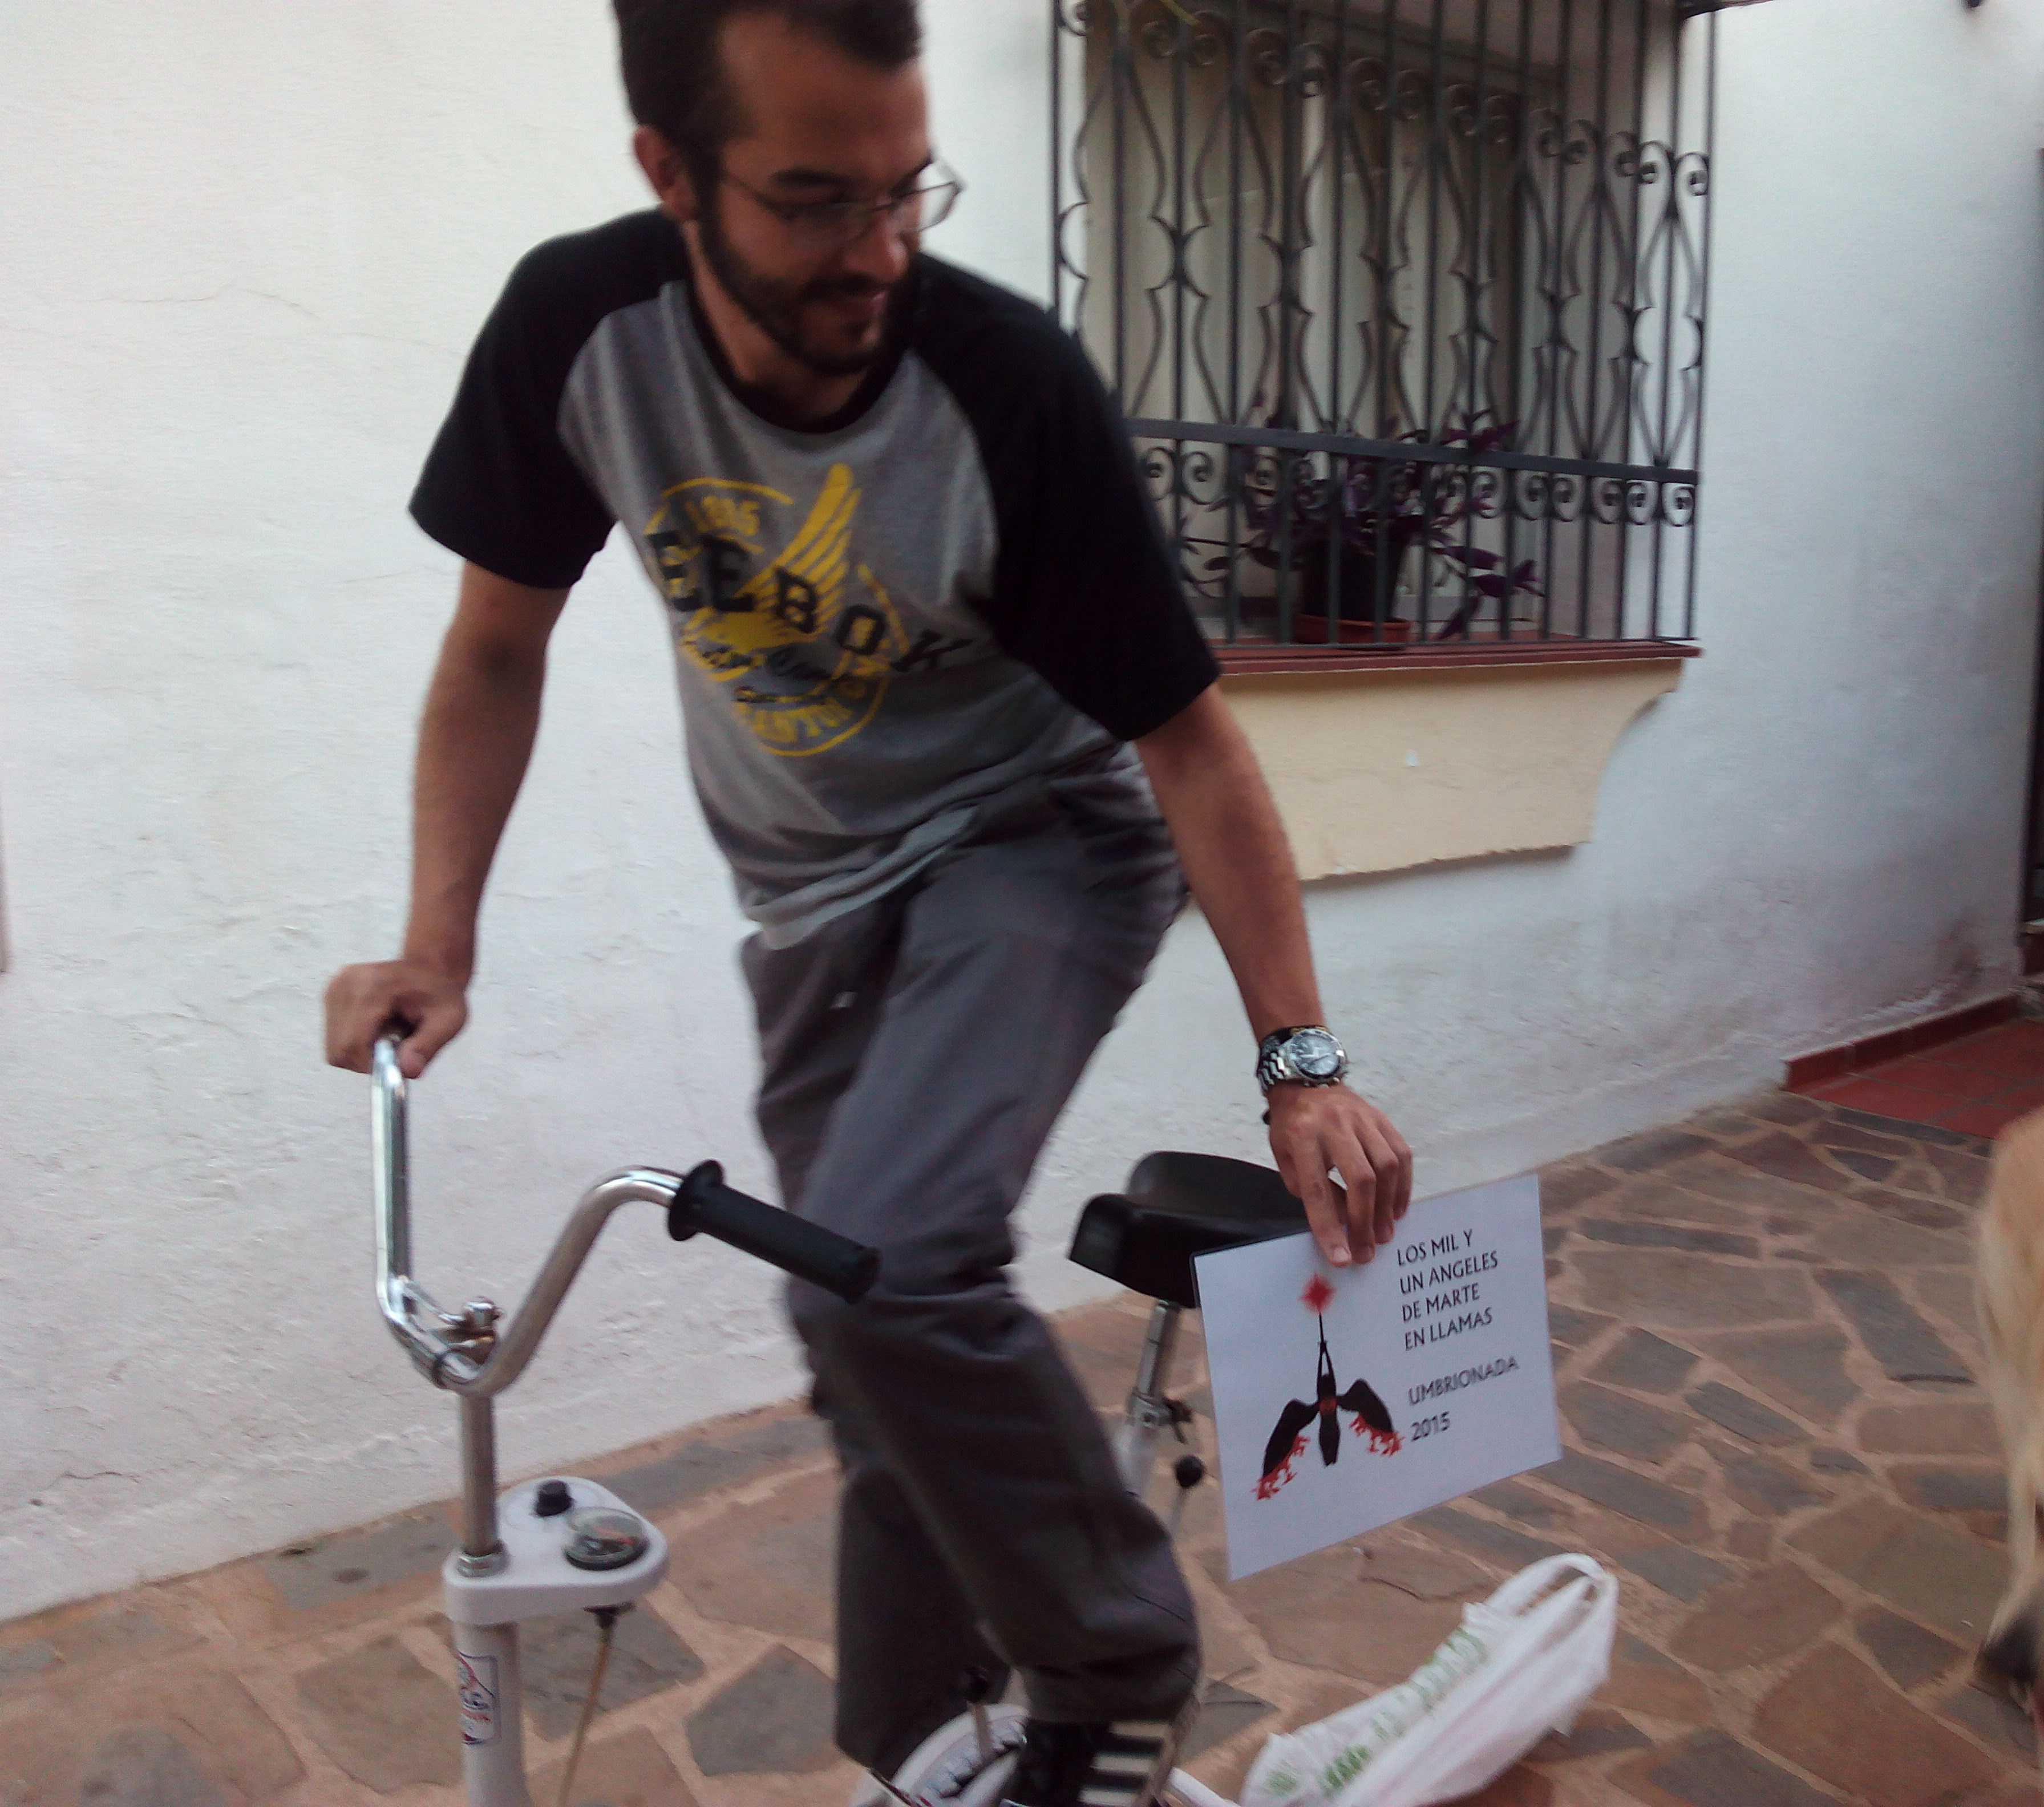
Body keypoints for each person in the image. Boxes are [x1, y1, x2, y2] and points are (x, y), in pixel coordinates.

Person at [320, 3, 1414, 1802]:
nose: (882, 256)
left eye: (910, 192)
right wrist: (441, 935)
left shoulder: (1002, 389)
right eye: (821, 202)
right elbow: (494, 646)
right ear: (670, 175)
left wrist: (1299, 1059)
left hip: (1037, 843)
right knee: (862, 1341)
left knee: (889, 1274)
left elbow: (1194, 751)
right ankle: (934, 1744)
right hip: (817, 913)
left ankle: (1115, 1669)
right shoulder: (577, 334)